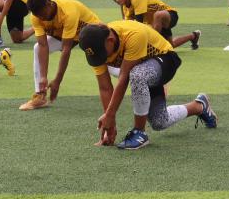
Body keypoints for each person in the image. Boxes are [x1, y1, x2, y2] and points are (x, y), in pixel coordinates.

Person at [77, 21, 217, 150]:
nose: (101, 59)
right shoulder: (95, 47)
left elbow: (124, 78)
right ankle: (199, 106)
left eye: (102, 53)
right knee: (159, 121)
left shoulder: (133, 35)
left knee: (137, 75)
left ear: (111, 40)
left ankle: (139, 133)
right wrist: (110, 125)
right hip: (143, 70)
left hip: (165, 59)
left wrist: (110, 115)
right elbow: (105, 87)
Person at [18, 0, 101, 110]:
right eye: (38, 16)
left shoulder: (68, 12)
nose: (41, 18)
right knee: (37, 48)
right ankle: (40, 96)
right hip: (63, 33)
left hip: (89, 31)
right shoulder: (36, 17)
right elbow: (43, 45)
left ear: (48, 4)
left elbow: (66, 48)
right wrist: (43, 77)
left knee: (106, 64)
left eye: (42, 14)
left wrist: (57, 80)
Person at [107, 0, 201, 49]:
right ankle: (193, 36)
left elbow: (139, 23)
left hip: (169, 15)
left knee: (157, 15)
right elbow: (130, 27)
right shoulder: (125, 8)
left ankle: (153, 47)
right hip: (157, 25)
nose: (117, 0)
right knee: (170, 46)